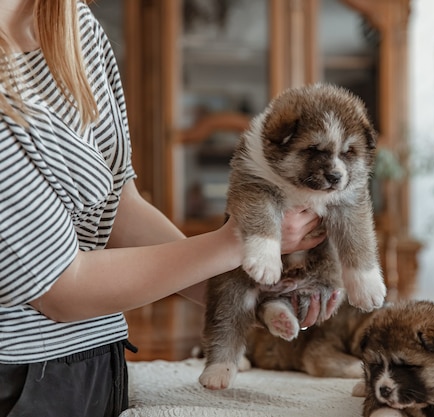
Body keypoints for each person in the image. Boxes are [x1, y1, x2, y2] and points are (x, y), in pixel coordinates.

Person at [0, 1, 340, 416]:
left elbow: (119, 206)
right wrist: (243, 239)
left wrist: (248, 294)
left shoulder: (71, 23)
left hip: (98, 362)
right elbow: (61, 289)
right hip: (20, 380)